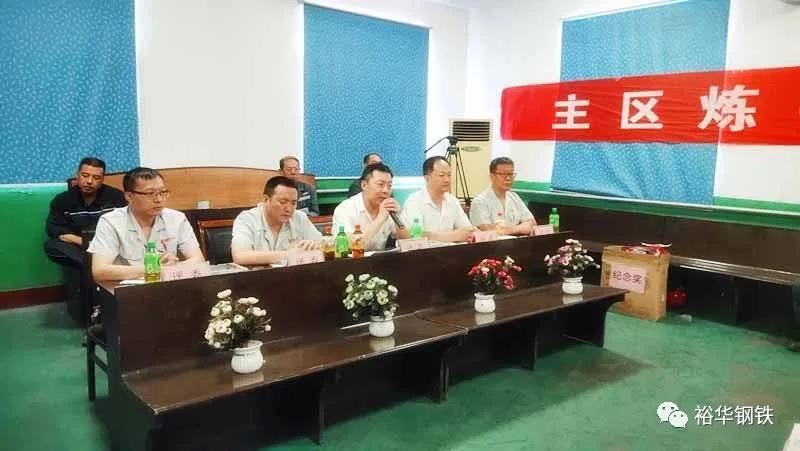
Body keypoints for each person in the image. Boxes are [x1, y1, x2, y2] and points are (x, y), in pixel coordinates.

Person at [88, 167, 204, 281]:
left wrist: (174, 268)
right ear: (129, 196)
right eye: (150, 193)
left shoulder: (176, 219)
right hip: (126, 290)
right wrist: (154, 269)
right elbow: (100, 271)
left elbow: (198, 260)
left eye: (162, 192)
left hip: (166, 287)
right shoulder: (111, 221)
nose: (159, 199)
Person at [45, 157, 127, 270]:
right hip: (80, 248)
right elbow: (54, 230)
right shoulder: (62, 200)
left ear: (102, 179)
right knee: (52, 246)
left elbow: (127, 225)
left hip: (110, 247)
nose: (89, 181)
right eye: (85, 175)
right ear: (77, 175)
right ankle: (96, 267)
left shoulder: (117, 197)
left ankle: (98, 267)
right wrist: (84, 242)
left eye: (96, 177)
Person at [231, 176, 322, 265]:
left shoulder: (299, 217)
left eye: (293, 203)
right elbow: (240, 256)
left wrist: (313, 246)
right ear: (266, 200)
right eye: (283, 202)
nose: (289, 209)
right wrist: (289, 254)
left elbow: (322, 245)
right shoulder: (247, 219)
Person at [333, 162, 410, 251]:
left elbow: (407, 240)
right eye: (380, 184)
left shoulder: (388, 209)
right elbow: (349, 246)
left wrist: (398, 217)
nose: (385, 190)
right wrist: (380, 219)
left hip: (379, 259)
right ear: (364, 185)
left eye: (389, 186)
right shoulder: (345, 209)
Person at [403, 156, 475, 242]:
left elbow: (468, 230)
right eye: (441, 175)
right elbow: (417, 235)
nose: (447, 180)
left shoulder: (452, 201)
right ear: (427, 178)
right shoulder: (414, 201)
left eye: (449, 175)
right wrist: (454, 236)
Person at [469, 157, 537, 235]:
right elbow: (487, 231)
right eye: (503, 174)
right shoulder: (480, 201)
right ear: (492, 176)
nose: (508, 178)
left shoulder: (514, 197)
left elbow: (532, 223)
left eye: (511, 174)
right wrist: (520, 228)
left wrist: (508, 230)